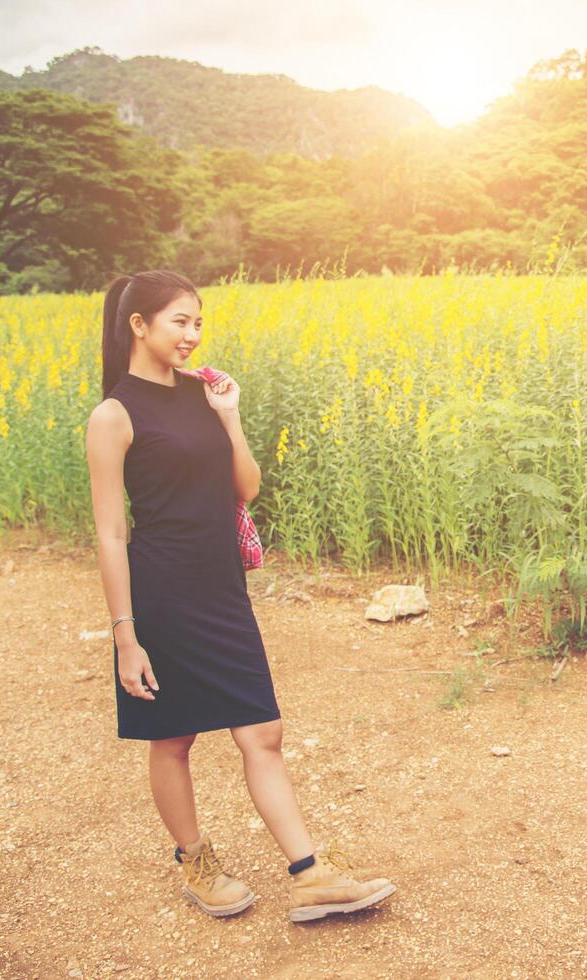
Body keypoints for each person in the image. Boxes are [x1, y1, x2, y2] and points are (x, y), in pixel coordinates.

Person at [84, 270, 395, 923]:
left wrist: (230, 415)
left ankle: (310, 876)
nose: (192, 335)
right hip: (162, 591)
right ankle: (195, 861)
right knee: (173, 738)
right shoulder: (113, 414)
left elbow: (244, 488)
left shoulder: (203, 394)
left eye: (198, 322)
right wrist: (124, 633)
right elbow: (112, 532)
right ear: (138, 324)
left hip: (221, 586)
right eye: (179, 322)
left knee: (263, 729)